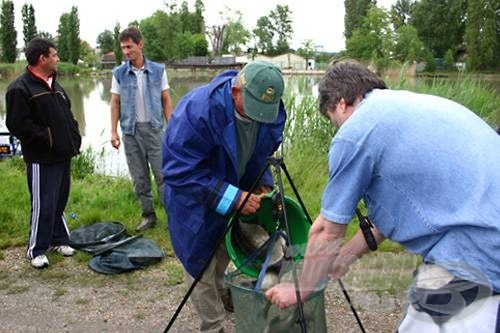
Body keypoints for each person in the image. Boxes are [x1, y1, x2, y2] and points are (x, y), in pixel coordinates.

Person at [265, 61, 500, 332]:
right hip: (487, 237)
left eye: (333, 121)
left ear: (341, 103)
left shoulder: (355, 131)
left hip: (478, 252)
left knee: (422, 319)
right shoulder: (408, 107)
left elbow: (326, 230)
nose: (337, 131)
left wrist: (301, 289)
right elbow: (394, 212)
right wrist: (344, 258)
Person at [163, 60, 286, 332]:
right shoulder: (197, 112)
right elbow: (178, 172)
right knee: (199, 267)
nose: (260, 117)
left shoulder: (271, 110)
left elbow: (263, 151)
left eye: (266, 110)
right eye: (254, 108)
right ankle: (213, 324)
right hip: (194, 199)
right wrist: (234, 198)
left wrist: (260, 182)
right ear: (236, 92)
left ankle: (223, 291)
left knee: (222, 251)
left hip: (237, 190)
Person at [5, 38, 82, 269]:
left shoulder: (54, 84)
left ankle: (59, 239)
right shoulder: (20, 88)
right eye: (55, 55)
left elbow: (67, 114)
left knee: (59, 200)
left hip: (63, 154)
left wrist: (74, 136)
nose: (58, 59)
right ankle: (36, 249)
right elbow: (17, 124)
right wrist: (47, 138)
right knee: (43, 204)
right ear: (42, 59)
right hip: (41, 158)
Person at [110, 27, 173, 232]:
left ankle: (173, 216)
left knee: (163, 175)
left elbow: (166, 100)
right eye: (123, 48)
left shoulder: (158, 70)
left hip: (155, 130)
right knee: (139, 178)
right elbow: (115, 103)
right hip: (131, 132)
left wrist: (171, 128)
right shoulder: (119, 73)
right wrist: (113, 131)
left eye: (129, 47)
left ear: (140, 44)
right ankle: (148, 216)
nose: (126, 52)